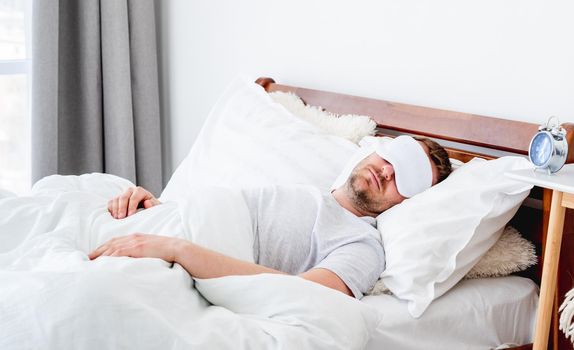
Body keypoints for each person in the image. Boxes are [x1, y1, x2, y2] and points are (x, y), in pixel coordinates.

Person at [89, 136, 452, 298]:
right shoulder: (304, 191)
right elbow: (210, 214)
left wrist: (177, 249)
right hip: (162, 220)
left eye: (407, 178)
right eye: (393, 157)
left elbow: (305, 294)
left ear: (409, 202)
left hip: (182, 254)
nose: (388, 172)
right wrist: (152, 205)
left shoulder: (362, 244)